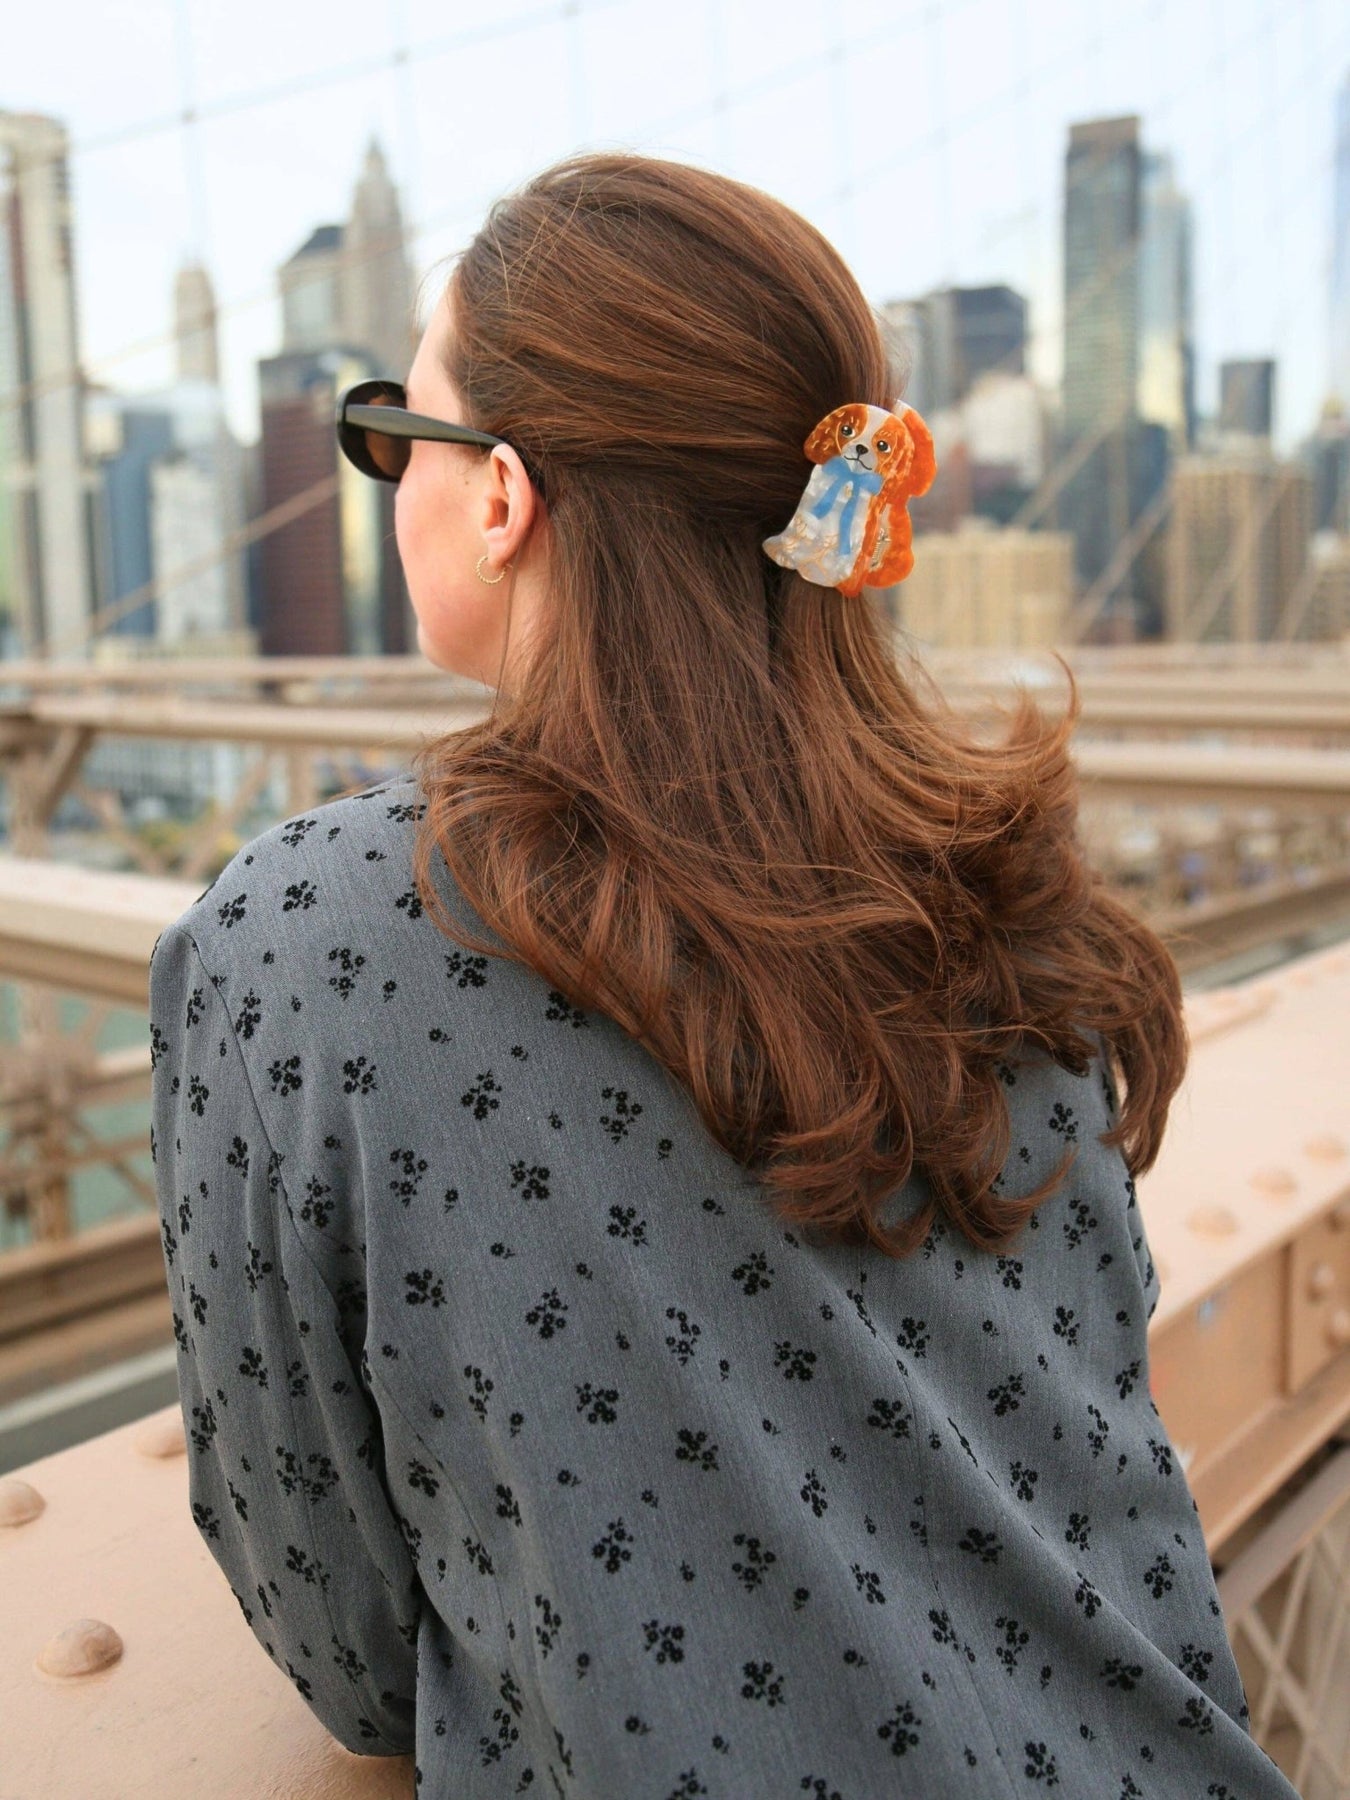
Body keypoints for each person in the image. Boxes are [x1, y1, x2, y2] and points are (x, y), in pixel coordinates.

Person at [149, 150, 1300, 1800]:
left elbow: (347, 1647)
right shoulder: (1006, 890)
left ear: (499, 495)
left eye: (397, 429)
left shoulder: (309, 936)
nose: (387, 476)